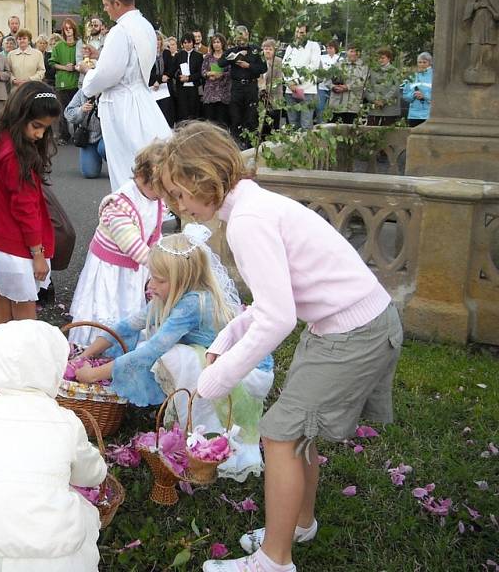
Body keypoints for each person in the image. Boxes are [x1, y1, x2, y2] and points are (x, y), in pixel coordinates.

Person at [155, 121, 402, 572]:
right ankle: (299, 523)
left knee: (280, 435)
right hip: (353, 323)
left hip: (353, 333)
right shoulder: (251, 205)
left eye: (179, 192)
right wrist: (230, 335)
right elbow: (275, 299)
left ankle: (274, 560)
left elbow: (278, 318)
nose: (179, 205)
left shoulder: (247, 221)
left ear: (202, 178)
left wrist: (218, 376)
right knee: (294, 432)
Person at [76, 228, 271, 479]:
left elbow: (151, 351)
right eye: (151, 276)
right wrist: (84, 356)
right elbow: (127, 325)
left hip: (248, 371)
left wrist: (92, 375)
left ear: (182, 280)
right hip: (222, 358)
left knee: (169, 354)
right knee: (152, 337)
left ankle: (206, 424)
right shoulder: (174, 295)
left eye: (159, 279)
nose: (151, 285)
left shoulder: (193, 303)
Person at [0, 320, 107, 572]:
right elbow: (92, 475)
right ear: (53, 368)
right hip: (54, 549)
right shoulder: (65, 421)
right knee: (86, 516)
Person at [0, 82, 59, 326]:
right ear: (21, 115)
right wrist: (38, 253)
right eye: (37, 126)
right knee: (25, 319)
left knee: (1, 310)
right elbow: (25, 208)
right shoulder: (17, 154)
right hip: (16, 247)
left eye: (45, 128)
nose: (40, 134)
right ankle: (24, 365)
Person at [68, 142, 164, 344]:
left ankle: (122, 345)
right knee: (107, 306)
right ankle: (92, 347)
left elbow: (155, 234)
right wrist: (163, 267)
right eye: (158, 188)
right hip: (111, 269)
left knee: (129, 307)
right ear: (141, 176)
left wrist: (161, 252)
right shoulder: (119, 204)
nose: (162, 194)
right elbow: (132, 245)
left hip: (135, 268)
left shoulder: (156, 200)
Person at [82, 0, 171, 191]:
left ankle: (130, 211)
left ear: (117, 3)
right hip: (141, 95)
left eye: (106, 4)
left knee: (126, 163)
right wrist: (102, 57)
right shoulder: (145, 26)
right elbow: (131, 62)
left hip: (121, 103)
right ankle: (151, 208)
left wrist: (88, 75)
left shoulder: (120, 31)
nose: (105, 9)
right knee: (144, 153)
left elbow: (108, 74)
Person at [219, 25, 266, 149]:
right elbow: (220, 63)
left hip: (250, 86)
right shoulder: (233, 50)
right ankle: (236, 146)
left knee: (251, 118)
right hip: (236, 87)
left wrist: (249, 66)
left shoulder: (256, 50)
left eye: (242, 34)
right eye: (238, 35)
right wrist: (235, 55)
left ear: (247, 34)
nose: (240, 38)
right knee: (235, 117)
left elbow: (263, 68)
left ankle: (251, 146)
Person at [282, 23, 322, 130]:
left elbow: (313, 66)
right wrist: (288, 82)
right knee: (293, 123)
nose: (298, 35)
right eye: (296, 32)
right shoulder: (291, 47)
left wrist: (296, 81)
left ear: (307, 33)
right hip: (291, 90)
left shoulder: (314, 46)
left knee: (306, 124)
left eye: (302, 33)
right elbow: (284, 65)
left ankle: (306, 147)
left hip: (307, 90)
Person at [49, 18, 80, 145]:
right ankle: (64, 135)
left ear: (74, 29)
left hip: (77, 83)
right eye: (65, 28)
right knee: (62, 111)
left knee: (78, 110)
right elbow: (52, 62)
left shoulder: (80, 45)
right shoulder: (58, 46)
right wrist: (64, 67)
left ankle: (78, 134)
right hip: (62, 83)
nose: (68, 31)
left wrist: (74, 67)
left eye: (70, 28)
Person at [63, 89, 106, 179]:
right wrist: (81, 110)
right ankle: (95, 157)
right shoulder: (83, 92)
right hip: (89, 137)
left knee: (103, 148)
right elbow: (68, 113)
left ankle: (118, 168)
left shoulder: (111, 91)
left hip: (107, 136)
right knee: (90, 173)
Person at [328, 45, 369, 124]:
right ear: (347, 52)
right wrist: (333, 87)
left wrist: (347, 87)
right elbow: (327, 79)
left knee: (350, 131)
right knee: (335, 130)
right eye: (351, 51)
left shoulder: (364, 67)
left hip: (352, 106)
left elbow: (363, 82)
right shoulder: (338, 64)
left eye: (356, 51)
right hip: (337, 104)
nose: (354, 54)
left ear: (360, 53)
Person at [365, 47, 402, 126]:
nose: (380, 60)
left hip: (390, 110)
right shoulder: (372, 71)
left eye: (382, 58)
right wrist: (374, 100)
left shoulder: (395, 71)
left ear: (389, 58)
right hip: (374, 108)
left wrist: (383, 100)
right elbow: (368, 87)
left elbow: (395, 89)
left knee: (388, 135)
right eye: (378, 58)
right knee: (370, 133)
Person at [201, 33, 231, 130]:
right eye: (214, 42)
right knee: (210, 121)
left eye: (218, 42)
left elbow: (231, 72)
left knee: (221, 122)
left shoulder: (227, 57)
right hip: (210, 93)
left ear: (222, 43)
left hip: (223, 93)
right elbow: (203, 71)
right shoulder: (208, 57)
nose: (216, 44)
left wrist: (221, 74)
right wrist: (209, 74)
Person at [171, 32, 203, 122]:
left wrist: (189, 78)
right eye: (185, 43)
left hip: (193, 88)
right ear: (182, 44)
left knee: (193, 111)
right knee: (182, 111)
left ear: (193, 43)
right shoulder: (178, 55)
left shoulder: (199, 56)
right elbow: (173, 71)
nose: (187, 44)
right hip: (181, 88)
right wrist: (180, 77)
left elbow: (200, 73)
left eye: (189, 42)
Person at [259, 38, 284, 137]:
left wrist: (266, 89)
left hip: (275, 97)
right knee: (263, 124)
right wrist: (262, 90)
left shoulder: (278, 62)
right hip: (261, 97)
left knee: (274, 124)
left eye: (270, 49)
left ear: (274, 50)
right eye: (265, 49)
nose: (267, 51)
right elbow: (258, 77)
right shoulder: (260, 61)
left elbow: (278, 80)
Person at [149, 31, 175, 127]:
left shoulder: (166, 53)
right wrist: (158, 80)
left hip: (165, 86)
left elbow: (171, 68)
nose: (157, 42)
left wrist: (163, 78)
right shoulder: (148, 54)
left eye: (159, 39)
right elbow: (147, 71)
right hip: (153, 86)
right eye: (155, 40)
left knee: (167, 112)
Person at [403, 52, 433, 127]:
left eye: (424, 62)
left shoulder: (435, 77)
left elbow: (439, 96)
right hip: (413, 115)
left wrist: (424, 96)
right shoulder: (412, 77)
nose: (422, 64)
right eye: (419, 62)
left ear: (430, 63)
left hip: (428, 115)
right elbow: (405, 96)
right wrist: (413, 95)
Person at [315, 39, 340, 123]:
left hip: (334, 87)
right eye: (327, 48)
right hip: (322, 86)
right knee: (320, 107)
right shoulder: (321, 58)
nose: (329, 50)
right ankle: (320, 123)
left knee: (333, 108)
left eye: (331, 48)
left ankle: (332, 123)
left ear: (335, 49)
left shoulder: (340, 59)